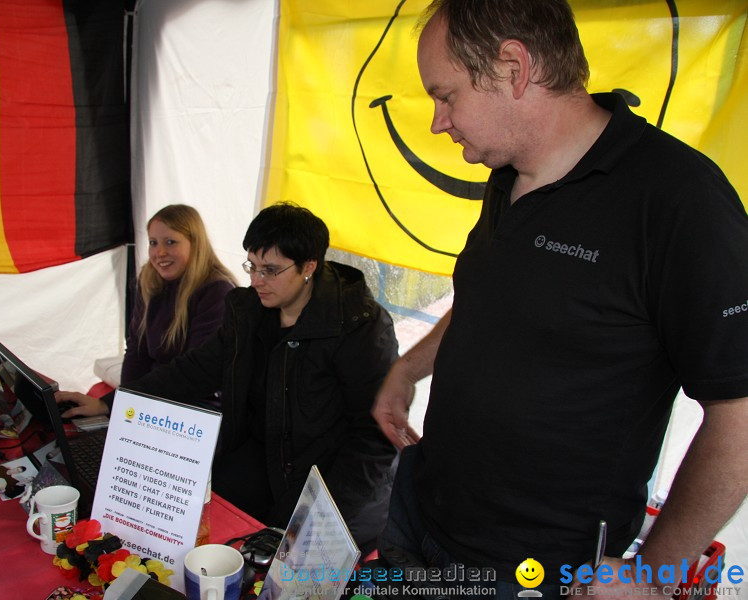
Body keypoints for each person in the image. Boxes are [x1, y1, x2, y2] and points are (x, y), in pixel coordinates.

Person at [372, 1, 748, 598]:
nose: (438, 123)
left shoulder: (679, 200)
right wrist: (407, 369)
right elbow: (485, 298)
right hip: (424, 512)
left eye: (446, 96)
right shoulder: (507, 175)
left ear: (514, 68)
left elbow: (740, 415)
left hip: (536, 572)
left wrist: (652, 575)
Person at [62, 202, 399, 550]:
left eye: (270, 270)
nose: (256, 280)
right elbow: (193, 371)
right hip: (261, 460)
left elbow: (373, 439)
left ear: (308, 267)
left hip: (330, 481)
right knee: (196, 527)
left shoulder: (361, 325)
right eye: (251, 266)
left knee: (280, 566)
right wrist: (111, 403)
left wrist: (322, 521)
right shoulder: (249, 310)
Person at [56, 204, 236, 408]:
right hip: (155, 401)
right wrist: (123, 409)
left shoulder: (216, 292)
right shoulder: (150, 280)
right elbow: (136, 352)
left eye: (170, 242)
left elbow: (194, 374)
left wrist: (113, 404)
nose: (159, 252)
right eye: (153, 242)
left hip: (198, 409)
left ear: (195, 244)